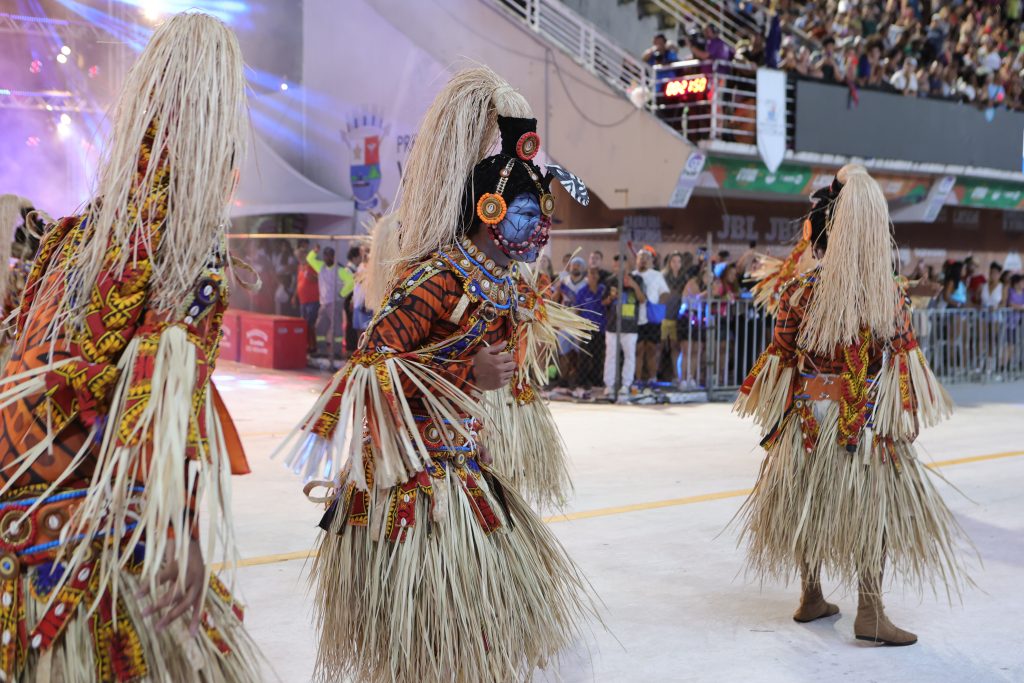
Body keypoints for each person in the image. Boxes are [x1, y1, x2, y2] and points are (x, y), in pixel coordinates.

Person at [275, 67, 598, 683]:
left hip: (464, 470)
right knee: (422, 640)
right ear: (491, 206)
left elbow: (486, 369)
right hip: (413, 480)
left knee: (471, 632)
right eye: (531, 212)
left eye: (544, 213)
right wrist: (464, 366)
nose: (540, 227)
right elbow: (371, 361)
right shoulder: (437, 277)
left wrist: (496, 377)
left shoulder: (500, 280)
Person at [0, 13, 260, 680]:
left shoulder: (74, 237)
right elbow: (158, 407)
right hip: (80, 548)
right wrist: (182, 538)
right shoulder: (185, 255)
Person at [734, 165, 970, 647]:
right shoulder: (888, 297)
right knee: (871, 509)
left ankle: (811, 595)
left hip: (806, 419)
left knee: (806, 501)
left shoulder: (799, 290)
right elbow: (904, 362)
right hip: (862, 425)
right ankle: (870, 610)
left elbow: (780, 356)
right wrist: (905, 414)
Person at [603, 261, 646, 400]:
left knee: (630, 355)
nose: (621, 268)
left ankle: (626, 384)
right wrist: (611, 297)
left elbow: (642, 299)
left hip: (630, 325)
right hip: (613, 325)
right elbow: (603, 302)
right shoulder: (610, 281)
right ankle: (609, 385)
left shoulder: (638, 279)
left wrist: (633, 285)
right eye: (617, 265)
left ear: (628, 266)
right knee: (611, 355)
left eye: (623, 264)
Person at [307, 245, 354, 360]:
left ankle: (337, 351)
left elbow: (351, 281)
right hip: (323, 303)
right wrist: (314, 251)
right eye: (325, 255)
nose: (327, 258)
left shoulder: (340, 270)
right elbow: (310, 259)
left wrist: (341, 294)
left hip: (335, 303)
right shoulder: (321, 267)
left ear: (333, 257)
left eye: (329, 256)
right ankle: (321, 350)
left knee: (336, 328)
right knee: (320, 327)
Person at [634, 248, 670, 389]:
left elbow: (665, 293)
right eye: (640, 257)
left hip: (652, 319)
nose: (643, 259)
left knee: (652, 349)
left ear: (651, 261)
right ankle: (637, 379)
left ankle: (652, 378)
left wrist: (657, 309)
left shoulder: (657, 275)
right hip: (636, 318)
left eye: (646, 257)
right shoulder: (632, 275)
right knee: (638, 349)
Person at [295, 243, 320, 353]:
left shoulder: (312, 266)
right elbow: (299, 282)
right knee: (304, 324)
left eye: (301, 256)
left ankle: (313, 346)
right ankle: (306, 345)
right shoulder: (300, 267)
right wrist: (294, 296)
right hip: (303, 301)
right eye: (298, 256)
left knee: (310, 324)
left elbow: (319, 278)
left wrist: (312, 277)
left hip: (312, 300)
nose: (300, 258)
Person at [342, 243, 364, 355]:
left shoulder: (356, 269)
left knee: (355, 325)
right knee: (351, 326)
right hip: (350, 298)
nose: (362, 258)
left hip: (355, 298)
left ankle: (353, 348)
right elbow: (350, 286)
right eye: (360, 256)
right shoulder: (349, 270)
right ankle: (350, 349)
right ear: (355, 257)